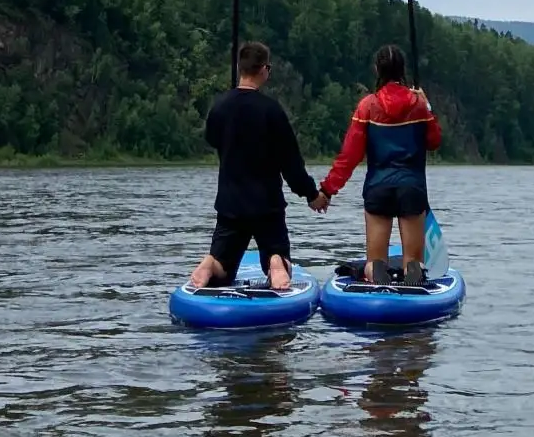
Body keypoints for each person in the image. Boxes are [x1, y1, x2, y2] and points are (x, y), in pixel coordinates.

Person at [186, 39, 320, 293]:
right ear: (264, 70)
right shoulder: (272, 110)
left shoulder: (220, 107)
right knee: (277, 253)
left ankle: (211, 263)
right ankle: (276, 262)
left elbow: (212, 139)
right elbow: (291, 162)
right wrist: (311, 195)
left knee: (223, 267)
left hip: (230, 203)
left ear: (240, 68)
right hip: (266, 204)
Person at [310, 43, 441, 286]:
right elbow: (434, 141)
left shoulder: (367, 106)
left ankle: (376, 275)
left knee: (375, 261)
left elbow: (348, 157)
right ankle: (414, 275)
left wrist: (327, 190)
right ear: (402, 70)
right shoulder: (419, 105)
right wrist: (427, 106)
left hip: (378, 188)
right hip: (412, 188)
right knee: (413, 259)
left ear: (376, 69)